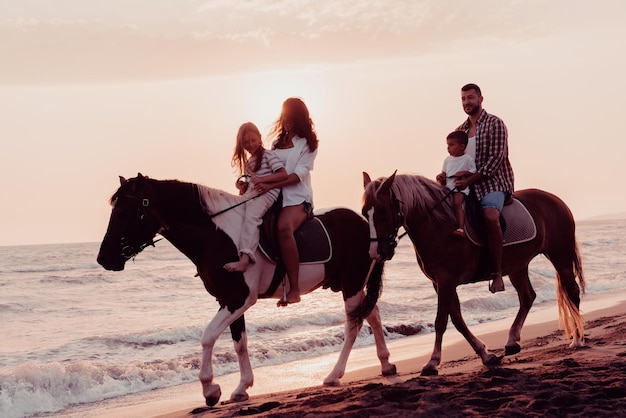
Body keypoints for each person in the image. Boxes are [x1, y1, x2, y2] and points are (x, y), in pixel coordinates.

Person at [253, 97, 318, 307]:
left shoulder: (308, 144)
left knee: (283, 228)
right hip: (273, 198)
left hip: (298, 199)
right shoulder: (276, 144)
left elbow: (297, 175)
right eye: (285, 117)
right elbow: (268, 170)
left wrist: (269, 185)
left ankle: (295, 289)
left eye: (291, 118)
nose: (287, 122)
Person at [452, 83, 514, 293]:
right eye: (463, 99)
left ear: (480, 99)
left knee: (489, 216)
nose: (466, 102)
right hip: (466, 183)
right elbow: (455, 160)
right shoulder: (459, 131)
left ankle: (496, 273)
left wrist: (470, 180)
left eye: (470, 98)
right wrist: (446, 175)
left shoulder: (495, 123)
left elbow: (497, 159)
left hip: (493, 182)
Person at [223, 122, 288, 273]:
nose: (250, 144)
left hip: (268, 193)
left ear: (259, 138)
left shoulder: (269, 155)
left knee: (252, 217)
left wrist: (262, 180)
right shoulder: (248, 163)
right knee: (231, 213)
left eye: (253, 140)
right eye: (246, 142)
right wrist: (242, 187)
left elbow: (283, 174)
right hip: (253, 194)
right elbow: (251, 184)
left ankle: (245, 259)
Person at [437, 130, 476, 239]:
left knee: (457, 203)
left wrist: (464, 173)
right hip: (447, 188)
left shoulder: (467, 159)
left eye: (451, 145)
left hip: (460, 189)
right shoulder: (447, 160)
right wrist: (440, 177)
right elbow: (444, 173)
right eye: (447, 145)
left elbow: (473, 172)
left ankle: (461, 228)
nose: (448, 148)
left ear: (462, 146)